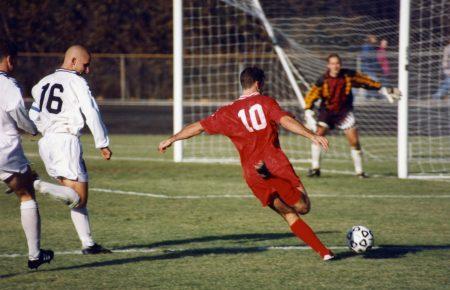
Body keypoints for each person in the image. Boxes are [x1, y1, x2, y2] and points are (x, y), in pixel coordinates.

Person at [159, 67, 335, 261]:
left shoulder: (227, 112)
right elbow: (284, 120)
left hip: (253, 174)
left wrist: (172, 139)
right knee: (303, 206)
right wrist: (311, 135)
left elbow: (197, 127)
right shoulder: (266, 101)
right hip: (275, 164)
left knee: (288, 214)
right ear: (259, 84)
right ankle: (275, 180)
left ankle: (325, 253)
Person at [29, 45, 112, 255]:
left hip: (47, 143)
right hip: (66, 141)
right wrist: (102, 142)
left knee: (75, 197)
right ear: (73, 61)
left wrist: (37, 130)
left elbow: (33, 114)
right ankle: (38, 185)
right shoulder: (77, 82)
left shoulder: (42, 83)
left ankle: (88, 244)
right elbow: (91, 111)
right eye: (85, 65)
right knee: (79, 199)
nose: (87, 70)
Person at [0, 39, 56, 269]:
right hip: (5, 149)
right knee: (26, 193)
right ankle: (34, 255)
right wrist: (32, 129)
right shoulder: (8, 85)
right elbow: (16, 111)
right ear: (10, 60)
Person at [304, 53, 400, 178]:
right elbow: (311, 95)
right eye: (332, 63)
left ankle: (359, 172)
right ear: (328, 65)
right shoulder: (322, 80)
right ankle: (315, 168)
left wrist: (383, 89)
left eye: (337, 63)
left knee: (354, 141)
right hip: (327, 112)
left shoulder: (348, 75)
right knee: (318, 135)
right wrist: (308, 110)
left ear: (340, 64)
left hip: (344, 112)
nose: (335, 66)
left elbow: (365, 81)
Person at [360, 35, 382, 99]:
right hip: (368, 68)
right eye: (374, 38)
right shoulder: (367, 46)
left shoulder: (371, 47)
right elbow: (367, 57)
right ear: (370, 39)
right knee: (374, 80)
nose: (376, 39)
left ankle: (369, 95)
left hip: (370, 68)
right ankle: (374, 95)